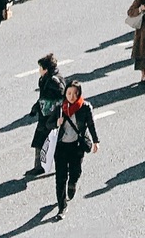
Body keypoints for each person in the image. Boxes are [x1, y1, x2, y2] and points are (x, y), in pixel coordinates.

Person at [51, 79, 99, 218]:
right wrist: (56, 122)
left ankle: (72, 183)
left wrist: (96, 141)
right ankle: (62, 207)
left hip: (76, 147)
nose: (71, 96)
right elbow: (48, 124)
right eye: (69, 93)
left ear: (79, 94)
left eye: (75, 93)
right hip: (60, 147)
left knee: (75, 172)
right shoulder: (60, 108)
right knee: (60, 178)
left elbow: (91, 125)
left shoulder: (85, 107)